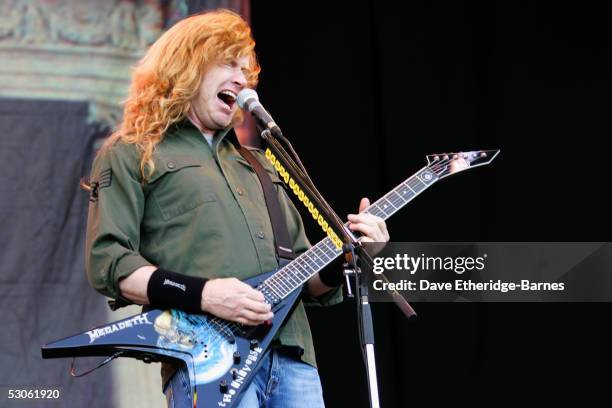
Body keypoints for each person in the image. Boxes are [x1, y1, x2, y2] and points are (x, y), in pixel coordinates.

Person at [84, 9, 390, 408]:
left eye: (246, 71)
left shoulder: (260, 163)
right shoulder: (130, 153)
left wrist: (352, 252)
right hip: (207, 361)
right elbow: (109, 264)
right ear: (186, 65)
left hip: (294, 360)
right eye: (229, 63)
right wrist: (205, 294)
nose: (242, 80)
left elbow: (306, 280)